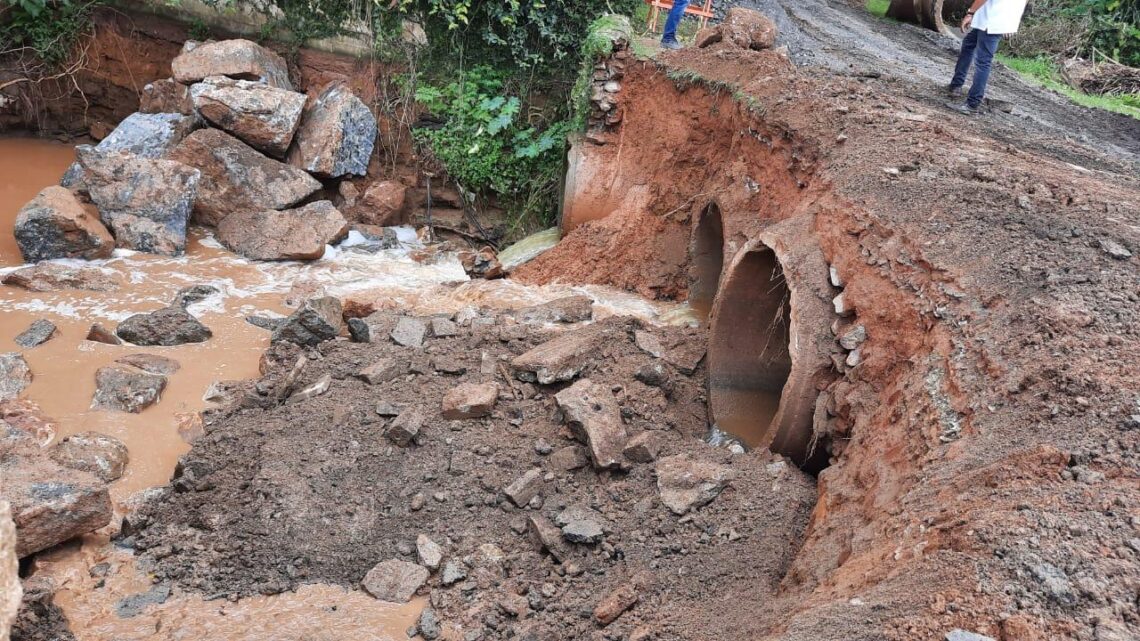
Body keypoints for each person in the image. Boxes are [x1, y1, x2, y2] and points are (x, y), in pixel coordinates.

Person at [946, 0, 1029, 115]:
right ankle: (956, 85)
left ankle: (972, 103)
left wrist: (970, 13)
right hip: (995, 20)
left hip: (991, 20)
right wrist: (1012, 21)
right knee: (969, 45)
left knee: (983, 62)